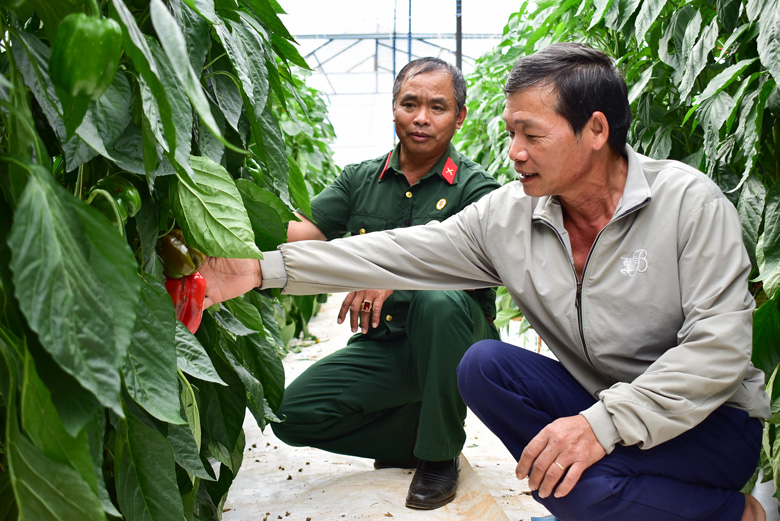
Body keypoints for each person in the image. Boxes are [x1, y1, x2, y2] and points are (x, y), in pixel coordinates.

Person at [200, 43, 770, 521]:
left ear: (595, 130)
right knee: (484, 366)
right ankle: (671, 504)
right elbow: (399, 252)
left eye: (531, 135)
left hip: (708, 421)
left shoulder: (687, 203)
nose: (514, 153)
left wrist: (599, 428)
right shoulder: (510, 216)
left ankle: (708, 508)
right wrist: (259, 269)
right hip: (604, 406)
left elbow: (716, 350)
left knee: (573, 486)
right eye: (509, 133)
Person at [267, 57, 501, 510]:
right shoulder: (360, 179)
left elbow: (485, 266)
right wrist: (232, 216)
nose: (421, 118)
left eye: (437, 107)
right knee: (289, 415)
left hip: (459, 341)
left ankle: (440, 455)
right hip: (388, 343)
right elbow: (304, 233)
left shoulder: (476, 190)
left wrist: (395, 279)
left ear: (459, 116)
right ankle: (413, 436)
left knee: (438, 303)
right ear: (393, 108)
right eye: (409, 103)